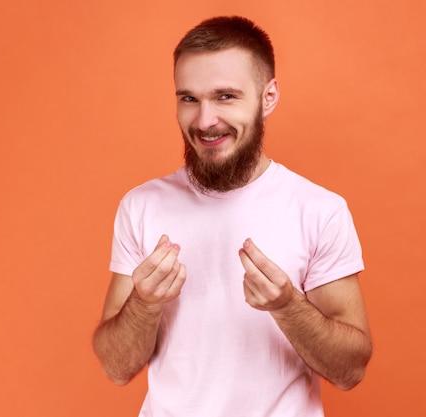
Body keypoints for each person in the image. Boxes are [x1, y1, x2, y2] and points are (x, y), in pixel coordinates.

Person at [93, 15, 372, 417]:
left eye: (225, 96)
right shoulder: (141, 206)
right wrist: (144, 304)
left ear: (268, 97)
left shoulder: (320, 210)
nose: (205, 120)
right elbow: (116, 368)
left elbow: (350, 370)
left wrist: (288, 306)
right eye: (189, 98)